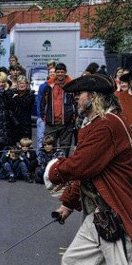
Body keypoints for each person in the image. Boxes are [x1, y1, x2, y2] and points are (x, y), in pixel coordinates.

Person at [47, 74, 132, 265]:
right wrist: (68, 204)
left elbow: (79, 166)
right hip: (101, 215)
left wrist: (52, 170)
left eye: (79, 94)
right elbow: (89, 172)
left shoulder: (107, 124)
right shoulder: (99, 123)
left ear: (93, 96)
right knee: (72, 261)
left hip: (115, 211)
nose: (75, 97)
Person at [40, 63, 74, 156]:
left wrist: (73, 116)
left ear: (65, 72)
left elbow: (76, 101)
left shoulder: (71, 86)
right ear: (55, 73)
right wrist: (44, 116)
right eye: (58, 72)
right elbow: (43, 102)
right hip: (51, 123)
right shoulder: (49, 86)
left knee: (65, 149)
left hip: (66, 123)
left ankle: (62, 169)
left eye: (62, 72)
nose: (60, 74)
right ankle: (50, 168)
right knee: (48, 148)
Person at [10, 75, 35, 143]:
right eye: (20, 83)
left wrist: (16, 97)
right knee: (15, 145)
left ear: (27, 84)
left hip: (25, 124)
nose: (21, 85)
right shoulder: (12, 92)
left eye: (23, 83)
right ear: (17, 84)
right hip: (14, 123)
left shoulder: (31, 94)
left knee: (26, 145)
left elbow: (25, 104)